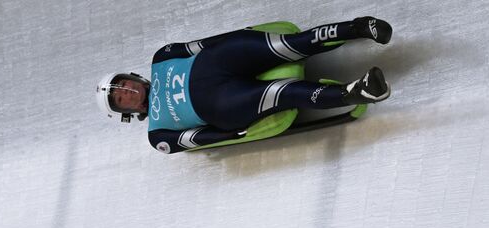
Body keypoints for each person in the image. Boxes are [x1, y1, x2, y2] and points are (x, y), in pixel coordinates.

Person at [96, 17, 392, 154]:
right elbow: (196, 140)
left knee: (289, 45)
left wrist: (243, 35)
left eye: (122, 85)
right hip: (220, 103)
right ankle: (355, 92)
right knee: (281, 92)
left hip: (219, 60)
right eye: (120, 99)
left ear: (131, 77)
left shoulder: (162, 57)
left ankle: (358, 27)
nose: (126, 92)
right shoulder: (156, 135)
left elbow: (202, 45)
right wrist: (236, 135)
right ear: (127, 112)